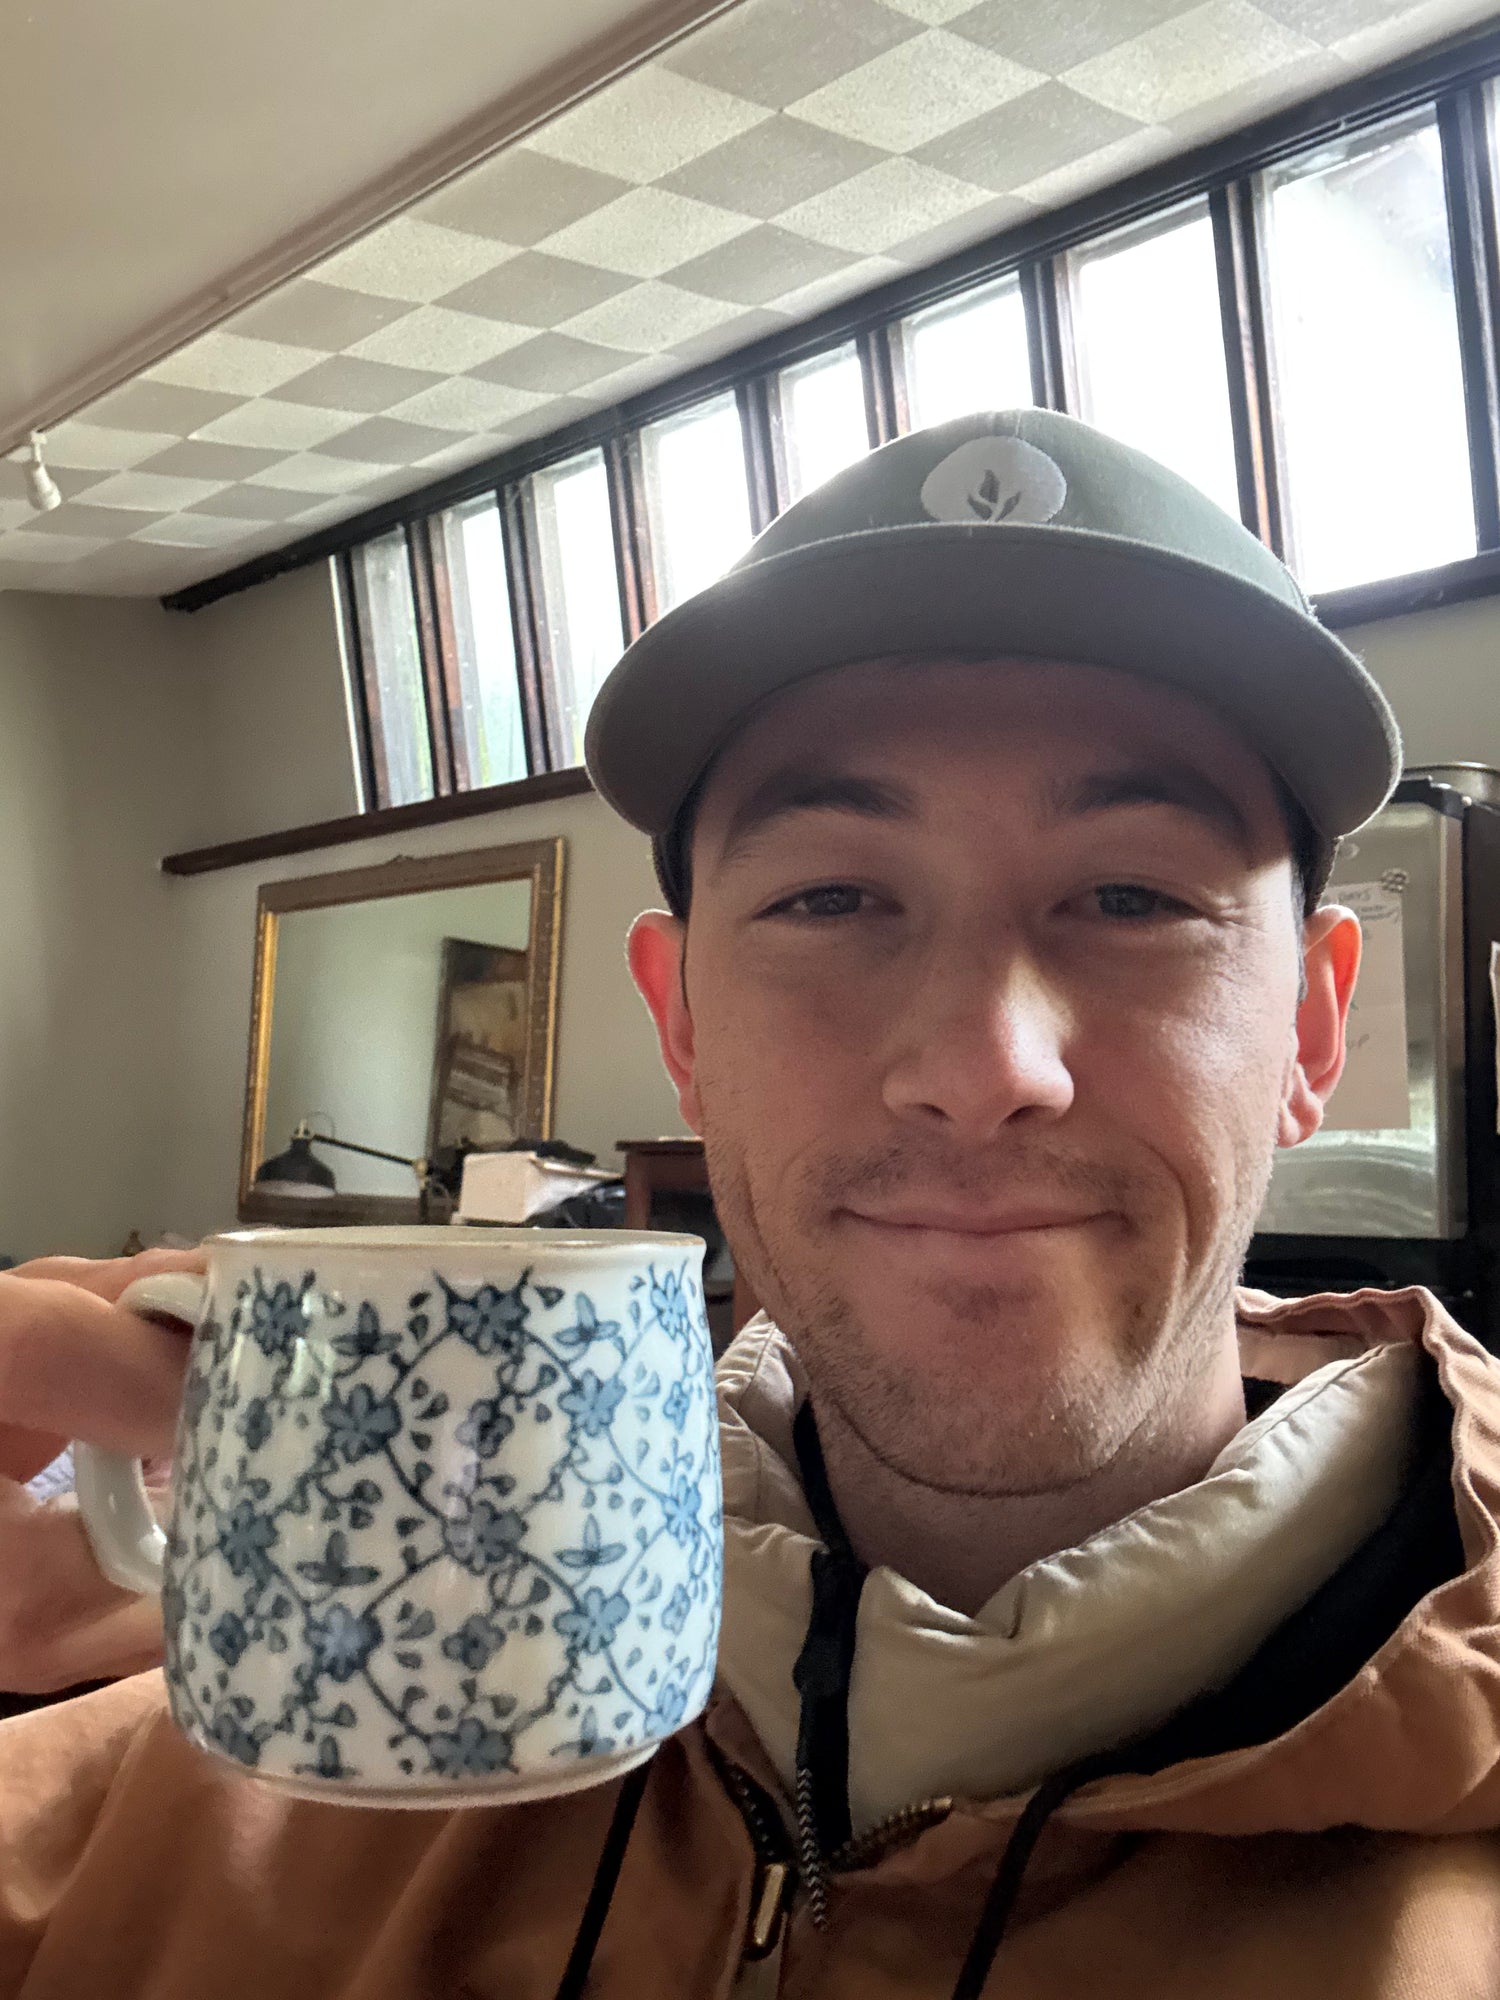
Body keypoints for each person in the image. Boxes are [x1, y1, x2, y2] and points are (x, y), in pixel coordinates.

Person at [0, 409, 1497, 1999]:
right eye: (831, 898)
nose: (983, 1067)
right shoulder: (217, 1804)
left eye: (1132, 897)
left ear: (1313, 1030)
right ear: (686, 1030)